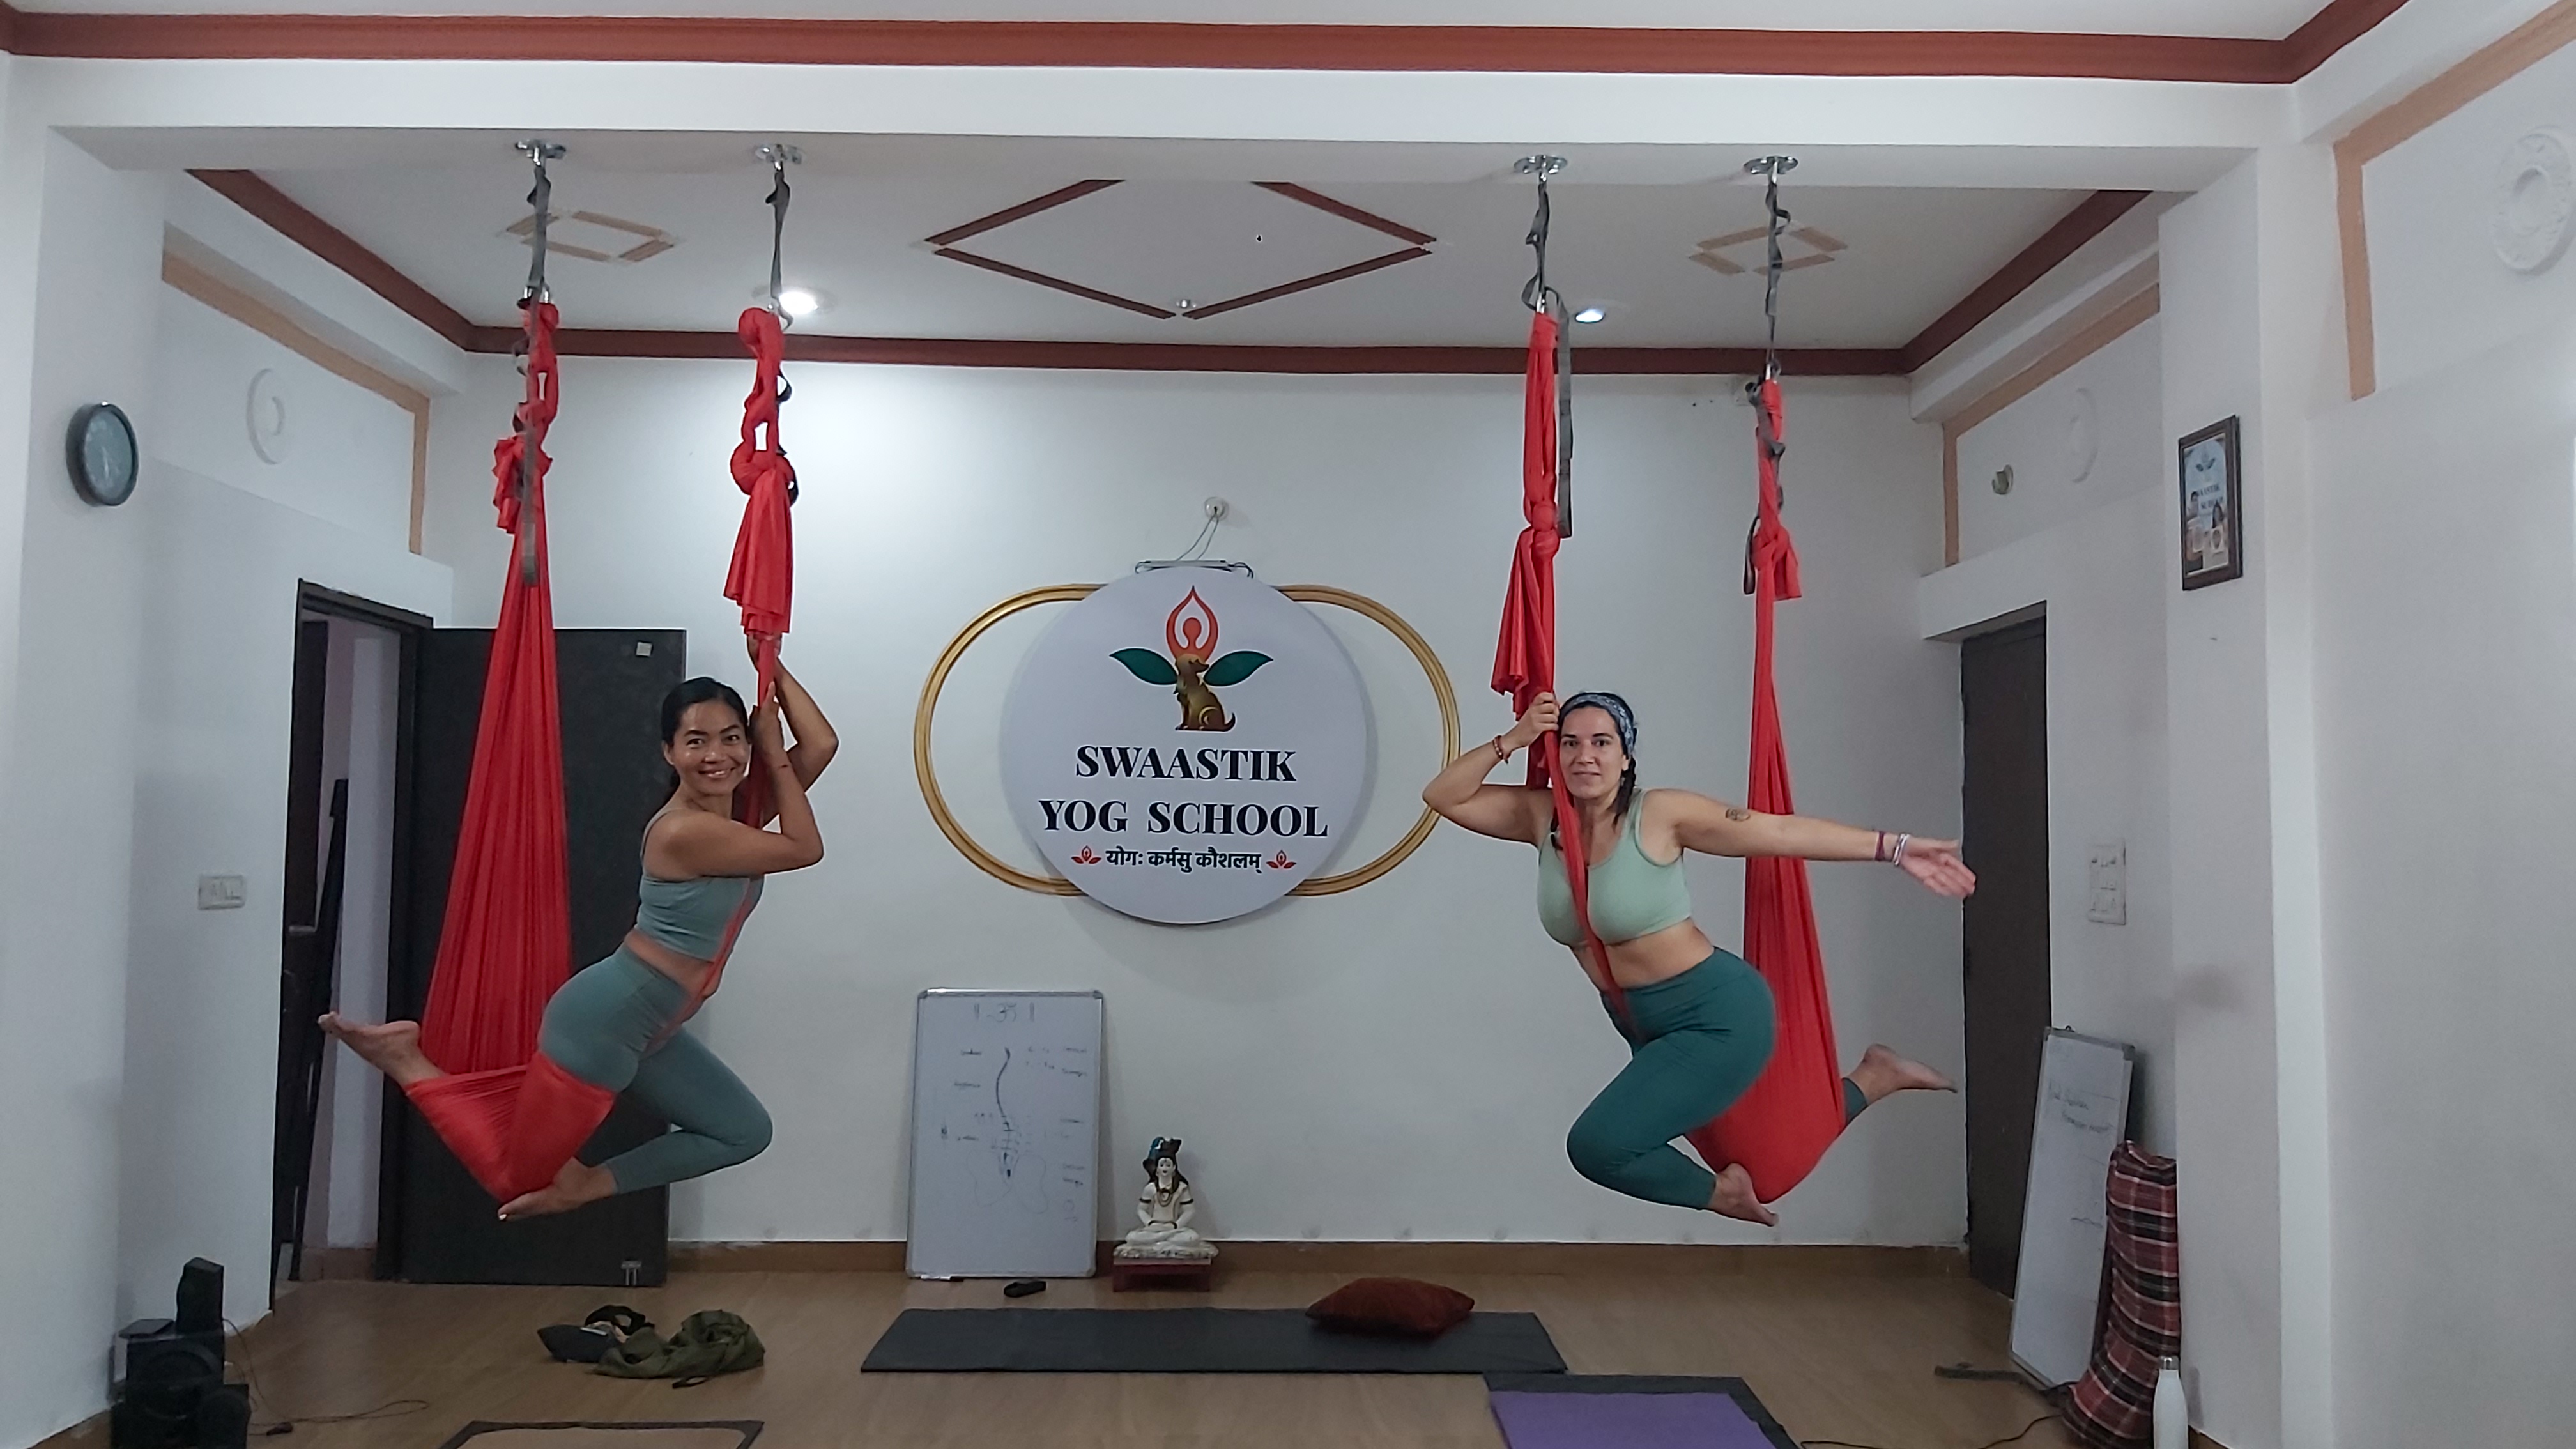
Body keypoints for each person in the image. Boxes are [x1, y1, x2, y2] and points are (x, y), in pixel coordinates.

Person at [1422, 689, 1972, 1225]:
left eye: (1602, 742)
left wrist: (1895, 848)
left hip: (1717, 1016)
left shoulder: (1659, 815)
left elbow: (1777, 831)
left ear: (1626, 755)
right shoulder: (1540, 818)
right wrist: (1513, 740)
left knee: (1600, 1145)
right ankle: (1876, 1077)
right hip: (1641, 1024)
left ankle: (1722, 1195)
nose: (1584, 755)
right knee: (1765, 1161)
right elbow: (1443, 796)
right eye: (1569, 743)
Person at [323, 653, 836, 1219]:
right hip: (605, 1019)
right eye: (696, 741)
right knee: (514, 1180)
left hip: (655, 1027)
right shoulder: (685, 831)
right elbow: (804, 849)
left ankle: (590, 1184)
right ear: (669, 752)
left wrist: (773, 664)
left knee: (742, 1131)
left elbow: (820, 746)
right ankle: (403, 1059)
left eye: (730, 737)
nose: (716, 755)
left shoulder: (739, 815)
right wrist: (768, 747)